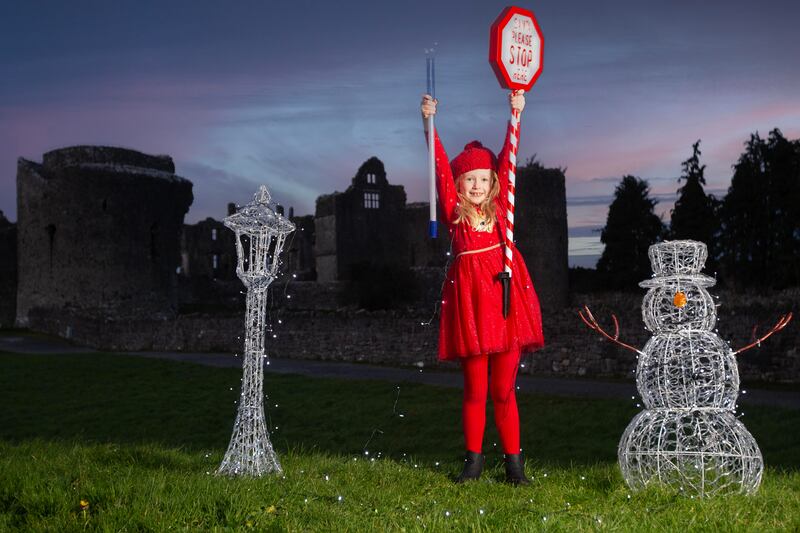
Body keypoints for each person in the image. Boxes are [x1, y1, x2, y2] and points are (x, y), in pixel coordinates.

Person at [421, 91, 544, 485]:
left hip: (506, 303)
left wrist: (516, 112)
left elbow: (509, 158)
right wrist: (429, 125)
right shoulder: (456, 218)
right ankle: (473, 463)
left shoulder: (502, 212)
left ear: (493, 183)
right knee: (475, 388)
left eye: (483, 179)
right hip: (472, 307)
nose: (477, 185)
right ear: (459, 184)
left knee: (504, 390)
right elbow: (438, 166)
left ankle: (514, 466)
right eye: (470, 179)